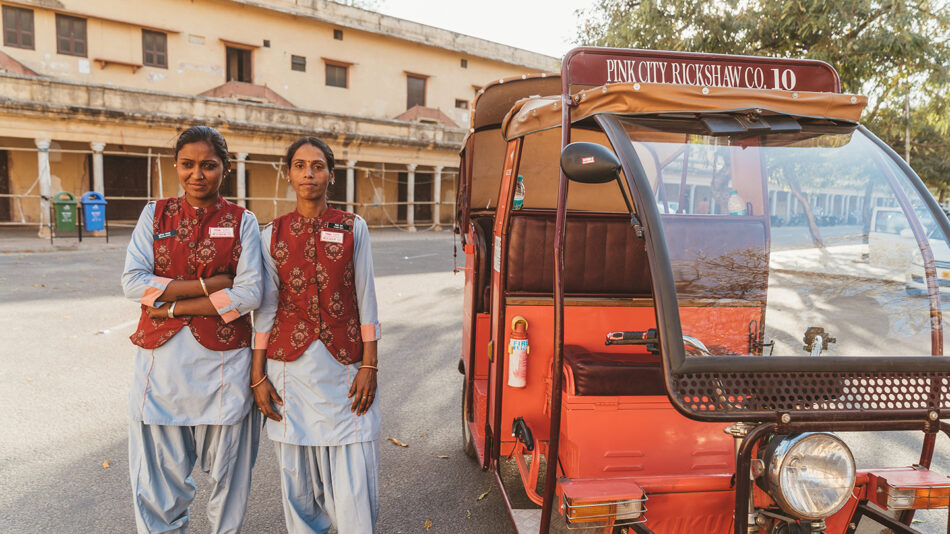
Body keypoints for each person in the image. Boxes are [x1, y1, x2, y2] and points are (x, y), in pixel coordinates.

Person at [121, 125, 263, 533]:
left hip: (223, 367)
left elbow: (249, 293)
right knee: (157, 480)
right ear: (176, 166)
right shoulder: (155, 214)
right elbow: (133, 283)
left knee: (229, 476)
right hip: (161, 366)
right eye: (187, 165)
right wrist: (210, 286)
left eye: (208, 165)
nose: (196, 174)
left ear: (226, 168)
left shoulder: (242, 221)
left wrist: (169, 307)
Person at [251, 137, 381, 534]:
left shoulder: (352, 227)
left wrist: (370, 364)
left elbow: (366, 298)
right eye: (301, 165)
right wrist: (258, 375)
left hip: (346, 366)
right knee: (297, 480)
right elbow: (266, 308)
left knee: (353, 471)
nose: (309, 173)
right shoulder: (270, 234)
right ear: (288, 174)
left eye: (318, 166)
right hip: (289, 371)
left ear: (331, 174)